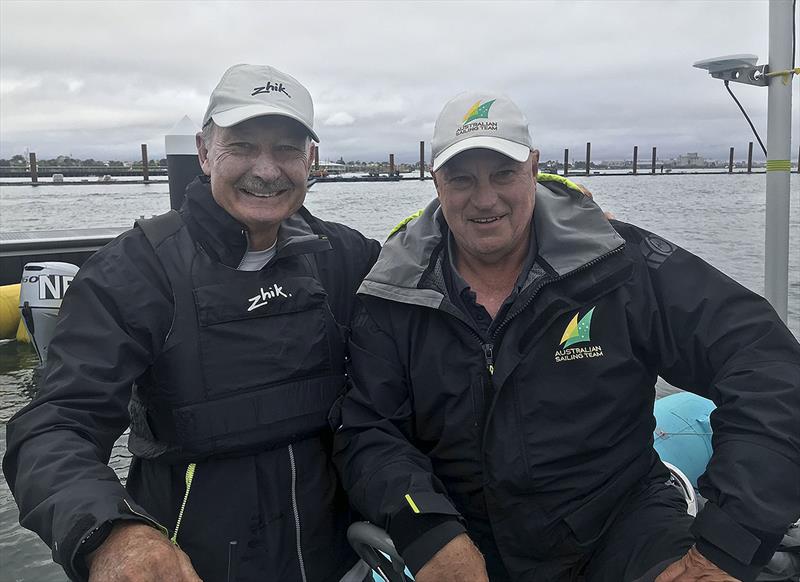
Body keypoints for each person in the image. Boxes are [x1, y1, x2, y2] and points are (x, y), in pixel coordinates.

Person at [332, 91, 800, 582]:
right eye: (462, 178)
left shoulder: (621, 264)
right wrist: (428, 534)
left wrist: (725, 548)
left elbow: (768, 365)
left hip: (623, 526)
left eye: (503, 174)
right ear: (436, 182)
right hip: (465, 537)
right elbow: (367, 429)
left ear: (534, 168)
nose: (485, 198)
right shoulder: (392, 294)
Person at [3, 64, 380, 582]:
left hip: (339, 561)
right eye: (243, 145)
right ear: (204, 152)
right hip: (189, 563)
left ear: (310, 160)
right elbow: (54, 427)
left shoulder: (348, 256)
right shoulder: (135, 271)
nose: (266, 169)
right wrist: (111, 535)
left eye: (287, 149)